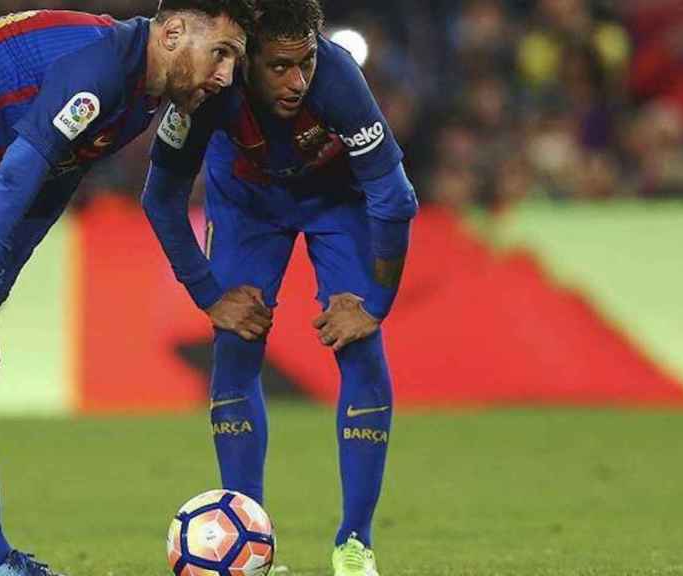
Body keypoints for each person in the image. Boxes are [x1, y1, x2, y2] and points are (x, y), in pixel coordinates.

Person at [0, 2, 252, 574]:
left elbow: (46, 193)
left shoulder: (136, 95)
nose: (225, 75)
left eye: (235, 60)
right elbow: (16, 175)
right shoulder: (102, 70)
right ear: (174, 31)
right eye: (220, 53)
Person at [142, 1, 417, 574]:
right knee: (236, 345)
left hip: (335, 204)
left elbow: (394, 197)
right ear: (245, 60)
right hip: (245, 207)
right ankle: (252, 544)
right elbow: (161, 197)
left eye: (306, 64)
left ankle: (355, 543)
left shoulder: (339, 77)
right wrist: (208, 295)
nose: (298, 82)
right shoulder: (211, 84)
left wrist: (376, 305)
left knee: (360, 344)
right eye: (280, 68)